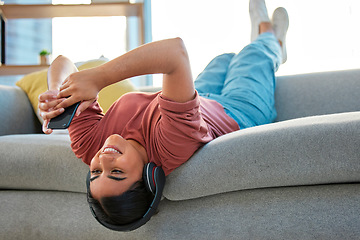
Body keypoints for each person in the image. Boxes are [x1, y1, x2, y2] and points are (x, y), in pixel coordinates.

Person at [38, 0, 289, 228]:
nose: (103, 161)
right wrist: (100, 77)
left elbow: (63, 62)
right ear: (149, 176)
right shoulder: (170, 147)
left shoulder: (89, 146)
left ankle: (260, 42)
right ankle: (270, 37)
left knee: (222, 59)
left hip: (200, 100)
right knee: (253, 55)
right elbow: (175, 52)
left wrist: (56, 91)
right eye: (116, 172)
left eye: (95, 173)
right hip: (240, 111)